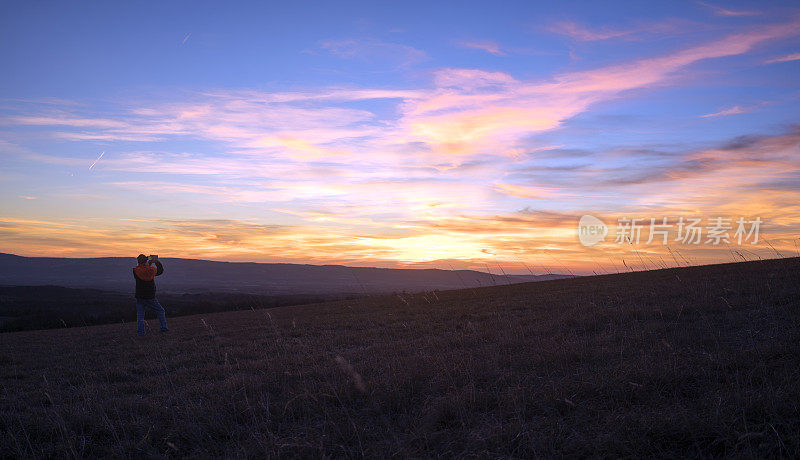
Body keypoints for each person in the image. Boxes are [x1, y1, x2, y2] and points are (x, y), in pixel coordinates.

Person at [133, 253, 168, 335]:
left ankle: (140, 332)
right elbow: (160, 271)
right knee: (161, 311)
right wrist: (156, 262)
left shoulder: (135, 270)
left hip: (139, 296)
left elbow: (143, 270)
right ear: (145, 261)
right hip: (150, 296)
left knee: (140, 315)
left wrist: (148, 263)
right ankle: (164, 328)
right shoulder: (151, 270)